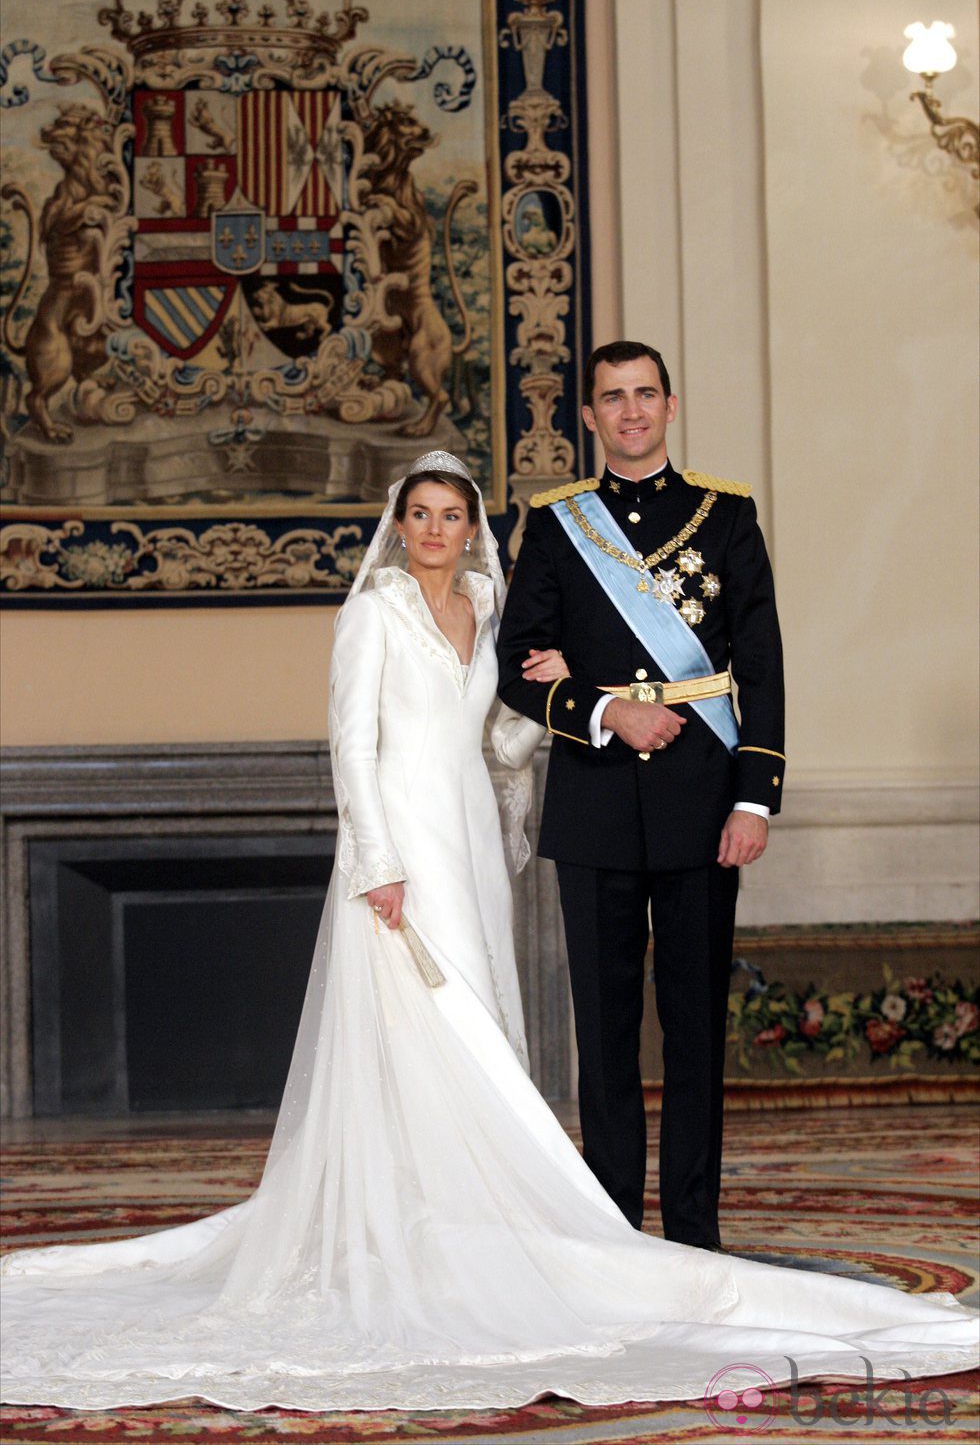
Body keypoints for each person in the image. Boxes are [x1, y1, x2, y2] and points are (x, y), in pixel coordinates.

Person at [1, 452, 976, 1414]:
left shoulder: (485, 611)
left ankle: (470, 1218)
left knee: (476, 1014)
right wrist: (375, 862)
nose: (434, 529)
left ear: (472, 526)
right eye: (419, 513)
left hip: (465, 834)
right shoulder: (373, 611)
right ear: (399, 522)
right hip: (399, 845)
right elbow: (353, 742)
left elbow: (502, 734)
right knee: (428, 1027)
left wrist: (562, 683)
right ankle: (412, 1223)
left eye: (450, 514)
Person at [497, 340, 784, 1249]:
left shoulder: (725, 514)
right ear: (587, 417)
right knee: (607, 1033)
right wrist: (608, 709)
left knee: (696, 1031)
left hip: (705, 799)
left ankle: (695, 1233)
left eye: (645, 395)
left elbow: (763, 663)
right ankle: (617, 1235)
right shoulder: (554, 522)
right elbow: (515, 667)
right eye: (612, 399)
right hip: (594, 802)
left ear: (669, 404)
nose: (629, 412)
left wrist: (755, 798)